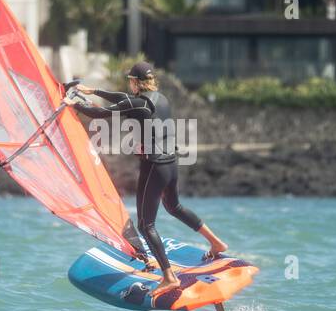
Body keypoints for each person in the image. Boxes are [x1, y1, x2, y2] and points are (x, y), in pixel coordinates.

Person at [71, 62, 227, 297]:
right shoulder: (160, 98)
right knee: (174, 207)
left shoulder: (137, 102)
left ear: (135, 82)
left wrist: (74, 103)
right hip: (171, 164)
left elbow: (99, 113)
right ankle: (216, 243)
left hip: (154, 166)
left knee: (146, 224)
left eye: (130, 81)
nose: (129, 85)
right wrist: (93, 92)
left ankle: (169, 277)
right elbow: (122, 98)